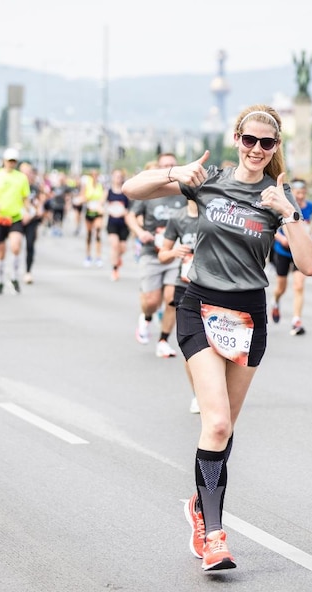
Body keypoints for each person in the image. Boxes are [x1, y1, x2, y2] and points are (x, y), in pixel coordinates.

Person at [122, 104, 312, 572]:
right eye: (248, 140)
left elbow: (309, 264)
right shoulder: (208, 179)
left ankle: (200, 503)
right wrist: (175, 172)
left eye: (265, 143)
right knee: (215, 425)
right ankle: (213, 534)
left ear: (275, 149)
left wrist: (289, 213)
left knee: (225, 425)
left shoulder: (278, 195)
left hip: (249, 314)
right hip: (200, 305)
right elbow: (131, 189)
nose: (255, 149)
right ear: (236, 138)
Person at [126, 152, 187, 357]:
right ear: (159, 168)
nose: (169, 168)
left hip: (175, 254)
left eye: (172, 164)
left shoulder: (183, 192)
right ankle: (147, 316)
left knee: (172, 299)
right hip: (151, 252)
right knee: (152, 301)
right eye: (165, 165)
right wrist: (140, 232)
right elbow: (131, 216)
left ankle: (163, 340)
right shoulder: (150, 192)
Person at [157, 198, 201, 412]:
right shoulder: (178, 218)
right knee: (192, 347)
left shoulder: (215, 214)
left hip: (213, 287)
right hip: (184, 286)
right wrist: (174, 252)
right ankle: (197, 395)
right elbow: (162, 254)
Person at [269, 178, 312, 335]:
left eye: (303, 193)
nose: (301, 196)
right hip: (282, 250)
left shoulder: (309, 207)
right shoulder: (282, 205)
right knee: (281, 287)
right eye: (298, 193)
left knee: (298, 285)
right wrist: (281, 238)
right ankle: (275, 301)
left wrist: (311, 240)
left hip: (299, 251)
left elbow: (307, 226)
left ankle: (296, 320)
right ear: (292, 194)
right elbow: (271, 227)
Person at [0, 147, 30, 295]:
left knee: (16, 247)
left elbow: (25, 197)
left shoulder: (21, 177)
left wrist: (28, 211)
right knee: (1, 251)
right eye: (9, 161)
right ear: (4, 161)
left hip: (15, 217)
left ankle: (14, 276)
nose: (11, 163)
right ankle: (0, 279)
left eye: (14, 161)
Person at [19, 162, 44, 284]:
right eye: (24, 172)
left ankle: (28, 271)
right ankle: (14, 269)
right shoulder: (15, 186)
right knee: (16, 245)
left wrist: (38, 210)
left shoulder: (35, 187)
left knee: (30, 245)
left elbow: (39, 202)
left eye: (29, 172)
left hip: (32, 219)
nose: (26, 174)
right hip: (18, 218)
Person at [105, 168, 131, 281]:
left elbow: (131, 208)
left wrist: (125, 212)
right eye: (116, 176)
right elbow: (101, 205)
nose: (118, 178)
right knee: (115, 245)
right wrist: (107, 209)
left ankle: (118, 258)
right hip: (112, 223)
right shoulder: (108, 192)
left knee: (123, 248)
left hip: (123, 224)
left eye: (120, 176)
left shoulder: (126, 192)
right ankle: (114, 270)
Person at [80, 168, 105, 267]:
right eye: (93, 175)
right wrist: (87, 199)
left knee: (98, 232)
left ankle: (98, 257)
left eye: (96, 175)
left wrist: (100, 205)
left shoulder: (100, 185)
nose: (95, 177)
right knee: (89, 234)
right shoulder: (87, 185)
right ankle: (88, 256)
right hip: (89, 211)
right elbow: (82, 197)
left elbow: (103, 197)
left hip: (98, 211)